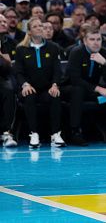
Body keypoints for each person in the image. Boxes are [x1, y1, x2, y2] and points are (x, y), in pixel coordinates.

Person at [64, 24, 106, 146]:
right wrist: (99, 89)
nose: (96, 43)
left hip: (91, 90)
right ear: (85, 41)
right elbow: (75, 79)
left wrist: (104, 63)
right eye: (92, 40)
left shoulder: (105, 53)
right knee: (78, 90)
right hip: (70, 88)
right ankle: (75, 132)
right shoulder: (76, 52)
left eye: (98, 39)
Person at [14, 18, 64, 148]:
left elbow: (57, 71)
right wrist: (24, 84)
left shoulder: (53, 47)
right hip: (29, 87)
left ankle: (55, 134)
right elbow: (18, 72)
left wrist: (55, 85)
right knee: (29, 95)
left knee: (55, 95)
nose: (40, 28)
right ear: (29, 31)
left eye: (41, 26)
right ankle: (34, 134)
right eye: (35, 26)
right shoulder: (21, 49)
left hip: (47, 87)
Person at [0, 14, 18, 148]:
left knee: (9, 90)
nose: (3, 23)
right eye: (0, 21)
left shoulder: (10, 42)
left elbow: (10, 66)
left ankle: (6, 133)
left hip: (3, 77)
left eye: (4, 21)